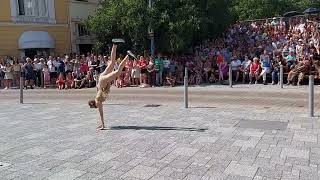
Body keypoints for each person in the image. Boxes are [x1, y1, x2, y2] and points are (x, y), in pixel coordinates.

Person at [88, 44, 135, 130]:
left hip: (103, 80)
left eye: (95, 107)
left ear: (94, 105)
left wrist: (103, 125)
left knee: (118, 72)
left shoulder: (98, 101)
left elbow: (101, 113)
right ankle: (114, 45)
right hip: (101, 79)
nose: (98, 107)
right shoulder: (97, 97)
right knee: (113, 63)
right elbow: (97, 88)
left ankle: (127, 56)